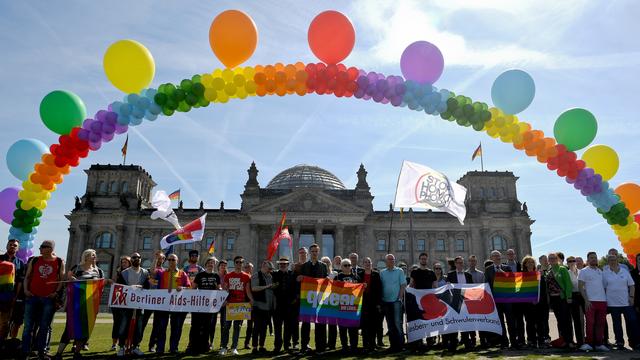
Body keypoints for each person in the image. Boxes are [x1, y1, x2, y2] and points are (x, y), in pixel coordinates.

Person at [53, 249, 105, 359]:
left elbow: (101, 286)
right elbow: (69, 280)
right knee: (70, 327)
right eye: (92, 255)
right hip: (75, 303)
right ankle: (58, 354)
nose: (94, 257)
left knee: (85, 328)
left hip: (90, 304)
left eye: (95, 255)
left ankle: (77, 353)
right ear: (85, 256)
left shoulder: (99, 271)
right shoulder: (76, 268)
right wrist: (72, 279)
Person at [21, 240, 65, 359]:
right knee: (28, 326)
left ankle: (42, 351)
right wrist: (25, 290)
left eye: (42, 247)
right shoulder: (35, 260)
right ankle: (25, 351)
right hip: (32, 296)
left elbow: (61, 279)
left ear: (50, 249)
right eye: (40, 247)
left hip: (48, 299)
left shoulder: (59, 261)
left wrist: (55, 293)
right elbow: (27, 276)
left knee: (45, 326)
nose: (40, 249)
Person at [154, 253, 191, 354]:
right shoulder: (162, 273)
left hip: (176, 305)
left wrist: (182, 288)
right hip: (163, 305)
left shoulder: (182, 274)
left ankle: (173, 348)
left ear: (177, 261)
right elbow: (152, 274)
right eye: (169, 260)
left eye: (173, 260)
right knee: (161, 327)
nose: (171, 262)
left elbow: (189, 287)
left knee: (176, 328)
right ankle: (160, 348)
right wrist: (156, 259)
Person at [603, 254, 639, 350]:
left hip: (626, 303)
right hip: (613, 304)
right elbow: (604, 288)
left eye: (614, 259)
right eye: (610, 260)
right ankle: (620, 342)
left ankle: (635, 342)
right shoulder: (605, 273)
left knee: (632, 322)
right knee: (617, 324)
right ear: (608, 262)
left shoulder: (625, 272)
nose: (612, 261)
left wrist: (631, 297)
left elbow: (632, 285)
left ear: (617, 260)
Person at [115, 252, 149, 357]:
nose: (136, 259)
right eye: (134, 257)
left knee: (139, 327)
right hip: (126, 303)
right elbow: (120, 287)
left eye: (138, 257)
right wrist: (132, 287)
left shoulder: (145, 273)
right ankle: (122, 347)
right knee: (123, 325)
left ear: (140, 259)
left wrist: (141, 287)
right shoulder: (124, 273)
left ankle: (136, 347)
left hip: (139, 304)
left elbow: (147, 287)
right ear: (131, 260)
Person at [297, 244, 328, 354]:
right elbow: (299, 280)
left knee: (320, 324)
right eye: (312, 251)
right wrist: (299, 278)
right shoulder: (304, 266)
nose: (314, 253)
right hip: (307, 300)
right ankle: (304, 346)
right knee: (305, 324)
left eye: (316, 251)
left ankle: (320, 347)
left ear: (318, 252)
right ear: (309, 253)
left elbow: (326, 282)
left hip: (319, 299)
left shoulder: (323, 266)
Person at [220, 255, 253, 355]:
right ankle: (224, 347)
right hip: (229, 304)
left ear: (243, 264)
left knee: (237, 327)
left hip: (241, 305)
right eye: (237, 262)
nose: (239, 264)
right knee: (226, 326)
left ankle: (234, 347)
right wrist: (224, 300)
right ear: (234, 263)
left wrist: (251, 300)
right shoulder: (228, 276)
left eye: (241, 262)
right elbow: (225, 290)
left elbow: (247, 290)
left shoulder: (246, 276)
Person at [485, 250, 517, 348]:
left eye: (498, 256)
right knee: (500, 322)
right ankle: (504, 342)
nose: (497, 257)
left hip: (507, 300)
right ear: (491, 258)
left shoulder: (507, 268)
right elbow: (486, 284)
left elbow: (513, 281)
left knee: (511, 321)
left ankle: (514, 342)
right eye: (495, 256)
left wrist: (503, 273)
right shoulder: (488, 269)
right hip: (496, 300)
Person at [188, 256, 220, 354]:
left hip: (210, 306)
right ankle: (192, 346)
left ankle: (204, 347)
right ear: (206, 264)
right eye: (209, 262)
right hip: (199, 305)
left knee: (207, 326)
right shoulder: (200, 275)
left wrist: (221, 291)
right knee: (195, 326)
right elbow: (193, 288)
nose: (211, 264)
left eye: (213, 263)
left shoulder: (216, 276)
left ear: (214, 265)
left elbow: (219, 289)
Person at [577, 251, 608, 352]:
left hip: (602, 301)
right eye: (591, 258)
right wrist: (586, 300)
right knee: (590, 323)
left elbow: (604, 286)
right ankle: (589, 344)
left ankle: (599, 344)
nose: (593, 259)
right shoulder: (584, 271)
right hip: (590, 302)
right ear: (588, 259)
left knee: (600, 323)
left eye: (595, 257)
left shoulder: (600, 271)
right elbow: (580, 286)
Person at [444, 256, 473, 352]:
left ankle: (466, 342)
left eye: (462, 262)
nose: (460, 264)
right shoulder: (450, 274)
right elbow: (448, 288)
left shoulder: (468, 275)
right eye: (459, 263)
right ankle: (453, 343)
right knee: (454, 322)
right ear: (455, 264)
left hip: (466, 302)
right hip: (455, 302)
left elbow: (472, 288)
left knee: (465, 322)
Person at [0, 239, 25, 346]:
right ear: (6, 246)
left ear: (18, 248)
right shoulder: (0, 259)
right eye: (10, 245)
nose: (12, 246)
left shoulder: (20, 263)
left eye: (15, 245)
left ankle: (2, 343)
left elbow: (20, 281)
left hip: (10, 296)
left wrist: (15, 296)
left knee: (5, 321)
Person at [380, 254, 406, 353]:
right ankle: (393, 346)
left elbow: (403, 285)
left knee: (397, 324)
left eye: (393, 259)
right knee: (390, 325)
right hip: (386, 301)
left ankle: (401, 345)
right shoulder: (382, 273)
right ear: (386, 261)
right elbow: (381, 286)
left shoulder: (399, 271)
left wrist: (400, 297)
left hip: (396, 301)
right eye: (389, 259)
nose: (392, 261)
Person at [546, 252, 573, 349]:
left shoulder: (562, 269)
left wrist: (569, 297)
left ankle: (570, 341)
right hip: (554, 300)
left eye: (553, 258)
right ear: (548, 260)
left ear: (557, 259)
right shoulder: (548, 271)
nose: (552, 260)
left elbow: (568, 283)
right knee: (560, 321)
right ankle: (563, 340)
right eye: (550, 258)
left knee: (566, 320)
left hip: (563, 298)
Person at [141, 251, 165, 353]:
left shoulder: (164, 271)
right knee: (143, 323)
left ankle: (152, 345)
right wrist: (155, 258)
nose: (160, 260)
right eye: (158, 258)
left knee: (157, 325)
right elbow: (152, 272)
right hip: (149, 299)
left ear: (164, 260)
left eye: (161, 258)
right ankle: (136, 343)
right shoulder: (151, 269)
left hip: (159, 300)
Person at [272, 257, 296, 353]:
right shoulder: (274, 274)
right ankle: (277, 346)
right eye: (281, 264)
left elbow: (295, 288)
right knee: (277, 327)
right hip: (277, 304)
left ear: (287, 265)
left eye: (284, 264)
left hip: (289, 305)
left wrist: (294, 299)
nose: (282, 265)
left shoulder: (292, 274)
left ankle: (287, 345)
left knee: (288, 327)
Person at [251, 260, 275, 354]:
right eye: (269, 268)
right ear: (263, 266)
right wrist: (266, 286)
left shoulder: (271, 276)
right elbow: (254, 288)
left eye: (271, 269)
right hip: (258, 306)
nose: (270, 270)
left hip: (268, 307)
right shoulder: (256, 275)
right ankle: (254, 347)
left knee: (264, 328)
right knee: (256, 327)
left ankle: (261, 346)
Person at [520, 256, 545, 348]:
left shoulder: (538, 274)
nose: (530, 264)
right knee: (529, 323)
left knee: (539, 323)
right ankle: (531, 341)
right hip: (527, 304)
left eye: (532, 262)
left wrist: (537, 299)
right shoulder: (521, 276)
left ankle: (541, 341)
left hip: (538, 303)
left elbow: (542, 289)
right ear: (525, 264)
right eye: (528, 262)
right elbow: (520, 289)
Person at [336, 259, 360, 352]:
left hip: (353, 307)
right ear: (341, 267)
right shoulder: (338, 277)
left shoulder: (356, 277)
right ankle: (344, 346)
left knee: (353, 328)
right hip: (341, 306)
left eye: (349, 265)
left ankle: (354, 346)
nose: (347, 267)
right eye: (345, 265)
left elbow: (360, 290)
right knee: (342, 328)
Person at [361, 257, 382, 352]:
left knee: (373, 325)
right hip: (363, 303)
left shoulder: (376, 274)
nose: (367, 264)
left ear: (371, 263)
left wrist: (378, 303)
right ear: (363, 264)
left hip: (374, 303)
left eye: (369, 262)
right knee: (365, 325)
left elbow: (379, 289)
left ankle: (373, 344)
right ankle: (365, 344)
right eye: (365, 262)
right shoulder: (360, 274)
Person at [110, 256, 131, 351]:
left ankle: (125, 344)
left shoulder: (131, 273)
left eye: (125, 262)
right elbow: (113, 282)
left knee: (127, 324)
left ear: (129, 263)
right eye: (122, 262)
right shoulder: (118, 273)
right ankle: (114, 343)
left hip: (128, 301)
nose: (123, 264)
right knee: (117, 323)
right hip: (118, 301)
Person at [566, 256, 584, 347]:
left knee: (584, 320)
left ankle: (584, 340)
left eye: (574, 261)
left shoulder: (582, 272)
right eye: (570, 261)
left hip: (583, 296)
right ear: (567, 263)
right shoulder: (567, 273)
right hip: (573, 297)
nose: (572, 262)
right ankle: (578, 342)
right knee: (576, 320)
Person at [321, 256, 338, 350]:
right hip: (321, 301)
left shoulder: (335, 274)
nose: (326, 264)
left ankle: (332, 344)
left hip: (333, 301)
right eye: (324, 262)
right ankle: (322, 344)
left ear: (330, 263)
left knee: (332, 325)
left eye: (327, 262)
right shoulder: (320, 275)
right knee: (322, 324)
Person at [215, 260, 228, 350]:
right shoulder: (215, 276)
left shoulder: (228, 276)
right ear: (218, 266)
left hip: (225, 303)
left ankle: (223, 343)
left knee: (224, 324)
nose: (223, 267)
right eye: (221, 265)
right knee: (212, 324)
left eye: (224, 265)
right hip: (214, 302)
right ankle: (210, 342)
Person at [242, 261, 254, 350]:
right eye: (246, 267)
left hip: (250, 303)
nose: (247, 268)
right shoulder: (241, 277)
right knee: (238, 324)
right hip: (241, 303)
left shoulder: (253, 278)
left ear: (252, 268)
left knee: (250, 325)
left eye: (249, 267)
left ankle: (247, 343)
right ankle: (233, 344)